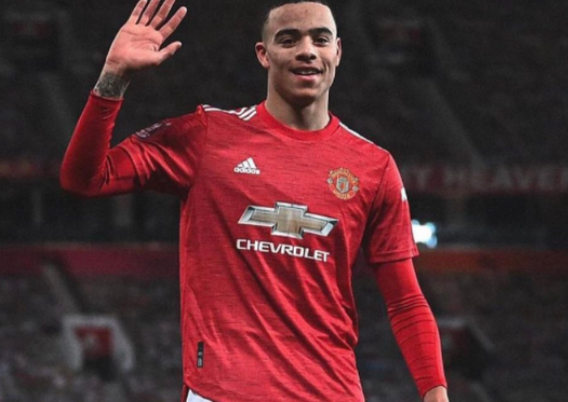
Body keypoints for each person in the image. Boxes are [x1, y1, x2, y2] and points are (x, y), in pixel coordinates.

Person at [60, 0, 450, 401]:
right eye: (289, 39)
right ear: (264, 54)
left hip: (331, 392)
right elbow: (85, 179)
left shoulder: (373, 166)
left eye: (320, 39)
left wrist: (435, 392)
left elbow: (406, 300)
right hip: (222, 392)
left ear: (337, 52)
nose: (307, 51)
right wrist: (113, 77)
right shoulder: (207, 136)